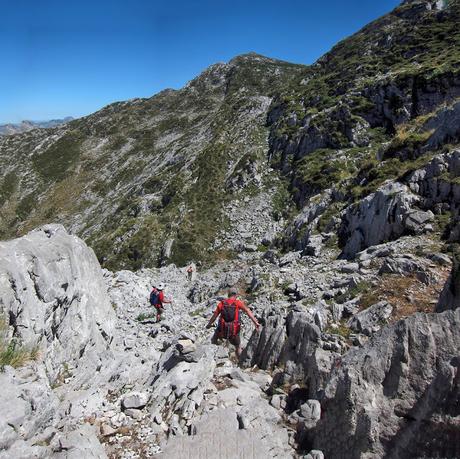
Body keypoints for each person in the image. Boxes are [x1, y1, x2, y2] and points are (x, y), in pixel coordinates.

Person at [206, 288, 260, 358]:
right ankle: (239, 361)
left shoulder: (222, 303)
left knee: (214, 337)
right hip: (234, 331)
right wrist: (255, 322)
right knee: (238, 346)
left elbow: (214, 316)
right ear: (236, 295)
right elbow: (247, 311)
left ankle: (212, 354)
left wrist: (209, 324)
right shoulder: (237, 303)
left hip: (222, 331)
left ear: (228, 294)